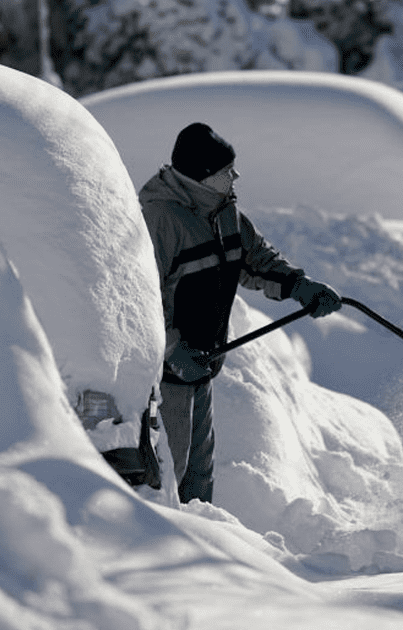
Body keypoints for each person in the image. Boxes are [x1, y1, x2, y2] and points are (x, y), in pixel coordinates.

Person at [139, 122, 341, 503]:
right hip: (167, 374)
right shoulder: (160, 219)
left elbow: (256, 260)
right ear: (202, 177)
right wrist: (171, 350)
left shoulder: (224, 212)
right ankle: (157, 542)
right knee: (167, 473)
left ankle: (205, 542)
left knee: (199, 474)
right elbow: (144, 294)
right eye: (226, 171)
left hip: (202, 361)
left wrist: (299, 286)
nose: (235, 176)